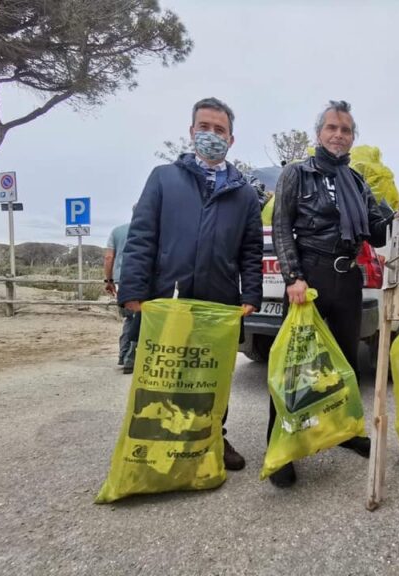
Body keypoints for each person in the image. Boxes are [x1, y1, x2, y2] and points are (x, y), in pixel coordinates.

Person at [270, 100, 399, 488]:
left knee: (346, 362)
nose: (338, 134)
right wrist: (293, 277)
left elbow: (377, 230)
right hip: (309, 277)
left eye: (346, 130)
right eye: (332, 127)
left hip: (347, 278)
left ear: (352, 138)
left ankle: (346, 430)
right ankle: (280, 444)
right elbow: (281, 226)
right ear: (319, 133)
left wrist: (398, 218)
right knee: (296, 367)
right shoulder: (296, 173)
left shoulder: (357, 182)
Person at [117, 97, 263, 472]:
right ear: (191, 131)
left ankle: (212, 434)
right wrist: (132, 291)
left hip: (220, 301)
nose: (211, 135)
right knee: (167, 372)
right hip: (168, 296)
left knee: (211, 374)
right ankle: (159, 441)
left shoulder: (244, 193)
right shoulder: (164, 178)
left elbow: (250, 250)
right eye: (205, 127)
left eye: (219, 130)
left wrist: (251, 295)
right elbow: (142, 237)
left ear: (231, 139)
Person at [104, 207, 136, 367]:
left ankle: (123, 354)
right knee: (142, 317)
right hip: (144, 279)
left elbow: (109, 257)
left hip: (121, 279)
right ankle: (132, 356)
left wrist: (108, 280)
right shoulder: (153, 230)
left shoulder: (117, 231)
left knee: (129, 318)